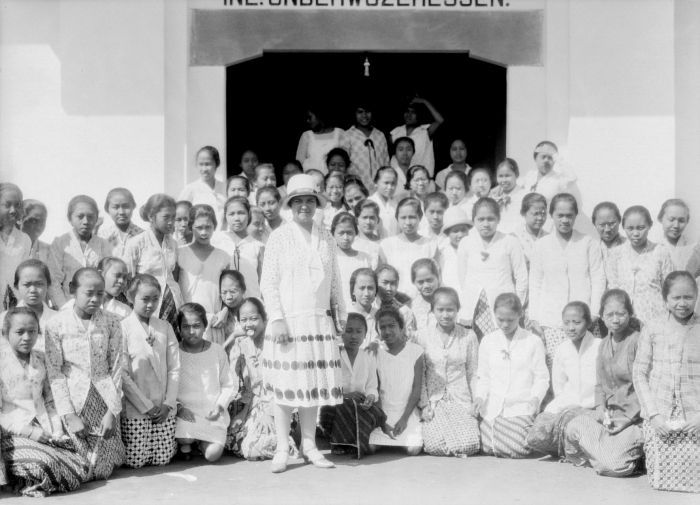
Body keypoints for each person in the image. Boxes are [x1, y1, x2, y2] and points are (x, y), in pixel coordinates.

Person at [260, 173, 345, 473]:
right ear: (291, 205)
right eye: (299, 201)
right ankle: (283, 447)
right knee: (285, 389)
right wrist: (277, 319)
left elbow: (335, 281)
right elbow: (268, 282)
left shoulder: (328, 238)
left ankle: (309, 445)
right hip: (288, 322)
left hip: (318, 322)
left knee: (312, 388)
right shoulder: (279, 236)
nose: (305, 206)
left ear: (317, 203)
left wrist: (340, 317)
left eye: (310, 200)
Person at [44, 268, 125, 481]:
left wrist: (112, 412)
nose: (95, 299)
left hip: (104, 398)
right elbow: (55, 372)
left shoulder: (112, 321)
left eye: (100, 293)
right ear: (72, 290)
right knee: (81, 468)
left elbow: (116, 367)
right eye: (89, 293)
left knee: (102, 471)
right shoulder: (56, 324)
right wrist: (69, 414)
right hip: (72, 400)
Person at [0, 307, 86, 497]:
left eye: (32, 331)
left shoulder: (41, 358)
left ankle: (37, 478)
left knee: (81, 463)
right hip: (12, 433)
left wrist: (57, 430)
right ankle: (23, 478)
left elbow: (49, 399)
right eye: (19, 332)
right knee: (46, 464)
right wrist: (30, 432)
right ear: (5, 334)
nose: (26, 337)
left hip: (43, 425)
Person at [563, 289, 644, 477]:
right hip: (610, 417)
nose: (615, 320)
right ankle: (605, 454)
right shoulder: (603, 345)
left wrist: (628, 419)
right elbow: (599, 385)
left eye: (621, 314)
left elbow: (644, 385)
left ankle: (608, 457)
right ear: (602, 317)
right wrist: (600, 410)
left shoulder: (637, 341)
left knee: (615, 466)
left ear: (630, 314)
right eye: (610, 315)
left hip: (634, 419)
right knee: (573, 426)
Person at [633, 271, 700, 493]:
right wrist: (654, 415)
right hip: (660, 414)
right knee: (661, 480)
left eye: (688, 297)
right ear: (665, 300)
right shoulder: (652, 327)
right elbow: (640, 373)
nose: (682, 303)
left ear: (697, 296)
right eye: (676, 298)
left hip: (695, 414)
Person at [529, 193, 605, 362]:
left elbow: (598, 278)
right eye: (560, 215)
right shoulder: (541, 245)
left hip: (585, 319)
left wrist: (593, 313)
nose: (564, 220)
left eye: (569, 215)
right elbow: (535, 282)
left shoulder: (588, 243)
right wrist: (534, 316)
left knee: (586, 364)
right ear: (552, 216)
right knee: (557, 367)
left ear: (576, 215)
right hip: (552, 318)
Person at [474, 293, 549, 458]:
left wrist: (536, 397)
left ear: (520, 315)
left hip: (520, 404)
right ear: (494, 315)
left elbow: (542, 377)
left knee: (518, 448)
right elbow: (483, 376)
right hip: (493, 405)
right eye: (500, 319)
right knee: (486, 445)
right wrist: (480, 397)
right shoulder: (488, 341)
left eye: (510, 320)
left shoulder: (532, 341)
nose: (505, 324)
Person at [120, 274, 180, 469]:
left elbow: (174, 368)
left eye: (155, 299)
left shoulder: (164, 327)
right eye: (145, 299)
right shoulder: (123, 328)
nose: (150, 304)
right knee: (136, 461)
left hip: (163, 406)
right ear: (130, 297)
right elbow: (122, 373)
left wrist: (168, 403)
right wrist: (146, 406)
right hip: (137, 406)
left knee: (162, 459)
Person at [416, 287, 481, 457]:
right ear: (433, 310)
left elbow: (473, 372)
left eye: (450, 309)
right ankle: (454, 447)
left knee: (470, 444)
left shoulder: (468, 336)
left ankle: (457, 447)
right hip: (434, 401)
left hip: (460, 399)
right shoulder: (422, 336)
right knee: (434, 446)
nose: (446, 315)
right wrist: (423, 405)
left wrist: (475, 401)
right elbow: (420, 375)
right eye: (441, 310)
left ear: (457, 309)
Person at [227, 298, 293, 460]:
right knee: (229, 440)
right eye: (244, 320)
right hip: (253, 405)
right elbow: (242, 386)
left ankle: (287, 443)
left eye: (254, 318)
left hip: (279, 404)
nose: (248, 324)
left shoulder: (275, 344)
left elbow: (284, 383)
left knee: (252, 449)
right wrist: (242, 412)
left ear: (265, 319)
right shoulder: (241, 344)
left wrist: (269, 413)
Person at [175, 303, 236, 463]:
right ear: (179, 328)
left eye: (196, 326)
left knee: (213, 455)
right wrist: (179, 408)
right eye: (186, 326)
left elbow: (228, 385)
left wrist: (220, 407)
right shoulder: (174, 352)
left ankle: (201, 444)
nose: (191, 331)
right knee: (184, 439)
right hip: (186, 412)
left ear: (205, 326)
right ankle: (188, 443)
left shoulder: (217, 351)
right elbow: (167, 385)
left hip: (212, 411)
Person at [320, 312, 385, 458]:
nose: (354, 336)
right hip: (335, 404)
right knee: (343, 406)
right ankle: (339, 442)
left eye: (358, 331)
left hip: (360, 405)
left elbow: (372, 386)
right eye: (348, 331)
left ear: (365, 335)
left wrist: (370, 397)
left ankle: (354, 442)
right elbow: (324, 385)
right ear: (341, 332)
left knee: (369, 411)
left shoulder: (368, 356)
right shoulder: (333, 354)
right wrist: (345, 395)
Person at [457, 197, 528, 319]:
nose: (485, 224)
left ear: (498, 219)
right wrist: (471, 296)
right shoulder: (466, 242)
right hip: (474, 305)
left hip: (504, 306)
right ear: (473, 220)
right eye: (481, 219)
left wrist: (517, 305)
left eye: (490, 219)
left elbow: (521, 275)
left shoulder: (510, 241)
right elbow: (462, 276)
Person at [368, 307, 424, 456]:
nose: (387, 331)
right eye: (382, 327)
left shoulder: (416, 351)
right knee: (371, 448)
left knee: (414, 450)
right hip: (383, 412)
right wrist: (381, 421)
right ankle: (382, 435)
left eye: (391, 326)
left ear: (401, 327)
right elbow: (375, 388)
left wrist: (404, 419)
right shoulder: (375, 352)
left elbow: (416, 388)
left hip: (407, 411)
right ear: (378, 331)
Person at [123, 193, 183, 331]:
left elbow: (174, 276)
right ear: (151, 217)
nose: (171, 222)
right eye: (166, 217)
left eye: (173, 217)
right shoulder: (136, 243)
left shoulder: (173, 243)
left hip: (173, 303)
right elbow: (128, 280)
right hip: (148, 305)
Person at [607, 205, 673, 325]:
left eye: (641, 228)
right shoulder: (615, 255)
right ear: (623, 228)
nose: (636, 233)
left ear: (650, 226)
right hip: (624, 323)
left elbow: (670, 289)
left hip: (655, 319)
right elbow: (613, 290)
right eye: (630, 228)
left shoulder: (660, 252)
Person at [48, 195, 112, 308]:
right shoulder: (60, 243)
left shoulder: (104, 244)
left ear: (96, 218)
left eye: (91, 217)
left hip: (96, 305)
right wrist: (65, 308)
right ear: (70, 219)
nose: (86, 221)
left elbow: (107, 279)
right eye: (80, 216)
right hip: (67, 305)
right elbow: (54, 281)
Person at [520, 141, 588, 234]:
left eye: (550, 157)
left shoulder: (559, 179)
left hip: (548, 227)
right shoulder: (529, 176)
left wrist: (558, 158)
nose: (546, 160)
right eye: (543, 157)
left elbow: (573, 177)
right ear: (535, 158)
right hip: (526, 226)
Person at [545, 302, 600, 414]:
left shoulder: (599, 346)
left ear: (589, 323)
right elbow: (558, 385)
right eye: (566, 323)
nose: (571, 328)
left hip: (592, 406)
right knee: (541, 425)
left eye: (577, 323)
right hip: (567, 405)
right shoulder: (562, 349)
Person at [379, 197, 439, 299]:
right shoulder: (387, 245)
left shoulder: (430, 245)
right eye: (403, 217)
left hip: (424, 300)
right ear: (397, 218)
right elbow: (382, 280)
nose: (408, 222)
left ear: (420, 217)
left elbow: (437, 279)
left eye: (412, 217)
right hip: (395, 301)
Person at [177, 204, 231, 315]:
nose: (204, 232)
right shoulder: (179, 253)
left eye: (208, 227)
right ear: (191, 226)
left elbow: (227, 290)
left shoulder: (223, 257)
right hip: (186, 319)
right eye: (199, 228)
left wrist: (224, 311)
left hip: (214, 319)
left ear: (214, 226)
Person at [211, 196, 264, 299]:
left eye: (241, 213)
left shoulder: (258, 247)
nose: (236, 218)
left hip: (250, 304)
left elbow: (263, 283)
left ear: (249, 215)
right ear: (225, 216)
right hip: (224, 304)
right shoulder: (216, 240)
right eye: (231, 214)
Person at [0, 259, 56, 355]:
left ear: (48, 285)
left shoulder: (59, 319)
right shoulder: (4, 319)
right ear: (16, 286)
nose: (33, 290)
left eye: (39, 284)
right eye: (27, 284)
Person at [390, 97, 444, 177]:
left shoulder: (425, 131)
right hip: (399, 179)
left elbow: (440, 120)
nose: (409, 115)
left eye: (413, 112)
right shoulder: (395, 132)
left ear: (418, 114)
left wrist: (424, 101)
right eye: (407, 111)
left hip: (421, 179)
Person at [345, 102, 390, 190]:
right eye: (360, 112)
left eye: (367, 112)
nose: (364, 115)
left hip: (379, 188)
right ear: (354, 114)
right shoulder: (347, 135)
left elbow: (386, 162)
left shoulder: (380, 135)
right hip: (357, 188)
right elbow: (345, 164)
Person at [178, 146, 227, 225]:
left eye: (208, 164)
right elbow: (180, 214)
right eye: (201, 164)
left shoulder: (225, 188)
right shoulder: (190, 189)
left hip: (223, 234)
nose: (204, 169)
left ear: (217, 164)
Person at [0, 183, 30, 310]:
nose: (13, 210)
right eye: (7, 205)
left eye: (17, 205)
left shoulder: (24, 239)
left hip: (15, 302)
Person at [296, 108, 349, 174]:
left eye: (310, 117)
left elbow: (346, 161)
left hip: (334, 180)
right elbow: (298, 163)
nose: (307, 121)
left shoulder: (340, 133)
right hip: (310, 180)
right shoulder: (306, 135)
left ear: (319, 115)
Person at [332, 212, 372, 301]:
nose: (345, 237)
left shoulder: (364, 258)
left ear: (355, 233)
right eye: (341, 233)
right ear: (333, 233)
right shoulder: (329, 257)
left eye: (349, 233)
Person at [97, 187, 143, 258]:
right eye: (115, 207)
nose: (121, 212)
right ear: (107, 209)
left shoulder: (142, 235)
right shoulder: (102, 236)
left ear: (133, 207)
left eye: (126, 207)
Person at [205, 270, 245, 349]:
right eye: (224, 292)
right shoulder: (221, 315)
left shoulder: (253, 309)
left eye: (233, 291)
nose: (229, 297)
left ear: (243, 290)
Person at [656, 198, 698, 273]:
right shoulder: (652, 247)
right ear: (660, 218)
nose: (676, 225)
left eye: (681, 221)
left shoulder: (695, 248)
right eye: (671, 219)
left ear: (687, 221)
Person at [375, 265, 417, 338]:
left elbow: (409, 339)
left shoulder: (405, 312)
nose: (389, 288)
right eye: (385, 283)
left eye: (393, 283)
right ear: (375, 283)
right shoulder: (370, 308)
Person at [439, 205, 472, 292]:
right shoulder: (442, 253)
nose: (460, 235)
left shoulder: (474, 249)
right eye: (455, 231)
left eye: (463, 230)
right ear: (448, 233)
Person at [511, 192, 548, 270]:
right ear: (523, 213)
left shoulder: (549, 238)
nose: (540, 218)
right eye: (536, 214)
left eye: (543, 213)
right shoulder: (514, 238)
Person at [489, 159, 526, 235]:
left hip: (517, 235)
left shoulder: (524, 195)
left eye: (507, 176)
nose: (504, 180)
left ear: (516, 174)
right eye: (500, 176)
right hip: (498, 235)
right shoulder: (493, 195)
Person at [592, 201, 626, 280]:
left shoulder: (630, 246)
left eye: (611, 223)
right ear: (594, 224)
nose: (607, 229)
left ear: (619, 221)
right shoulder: (592, 248)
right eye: (602, 225)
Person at [349, 268, 379, 346]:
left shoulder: (380, 316)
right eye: (362, 288)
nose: (366, 293)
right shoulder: (344, 315)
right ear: (353, 290)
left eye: (370, 288)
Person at [410, 258, 440, 333]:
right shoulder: (412, 307)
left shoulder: (449, 301)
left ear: (438, 278)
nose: (426, 286)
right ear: (414, 282)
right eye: (420, 282)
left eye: (429, 280)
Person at [368, 166, 399, 237]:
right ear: (376, 183)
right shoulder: (369, 203)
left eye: (393, 183)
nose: (390, 187)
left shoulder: (396, 204)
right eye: (386, 183)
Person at [21, 199, 51, 266]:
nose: (39, 226)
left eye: (43, 221)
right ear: (20, 220)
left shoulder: (50, 252)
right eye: (34, 221)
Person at [353, 199, 382, 266]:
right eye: (364, 217)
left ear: (377, 220)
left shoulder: (383, 244)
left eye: (372, 218)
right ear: (356, 220)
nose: (368, 222)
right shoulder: (353, 244)